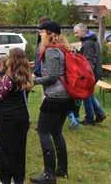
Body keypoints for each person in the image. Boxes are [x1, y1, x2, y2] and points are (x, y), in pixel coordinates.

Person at [31, 21, 75, 184]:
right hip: (64, 97)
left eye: (42, 32)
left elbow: (52, 77)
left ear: (50, 33)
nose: (40, 35)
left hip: (56, 98)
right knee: (56, 132)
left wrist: (33, 81)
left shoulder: (51, 51)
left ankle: (49, 174)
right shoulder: (61, 48)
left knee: (43, 132)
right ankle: (62, 169)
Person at [0, 48, 32, 184]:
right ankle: (18, 180)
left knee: (5, 151)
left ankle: (5, 180)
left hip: (9, 118)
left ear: (12, 60)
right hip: (22, 118)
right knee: (19, 151)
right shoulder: (26, 75)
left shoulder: (9, 77)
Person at [73, 23, 106, 125]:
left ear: (83, 31)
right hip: (95, 72)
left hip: (91, 74)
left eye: (76, 33)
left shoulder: (87, 43)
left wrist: (85, 75)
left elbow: (89, 61)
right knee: (89, 95)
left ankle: (89, 118)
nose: (75, 35)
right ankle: (100, 114)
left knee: (85, 95)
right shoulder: (92, 40)